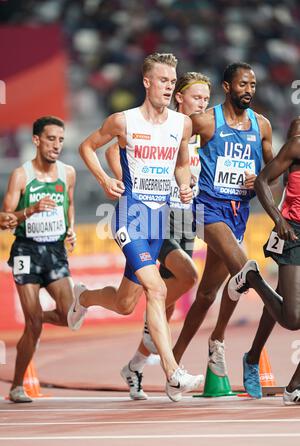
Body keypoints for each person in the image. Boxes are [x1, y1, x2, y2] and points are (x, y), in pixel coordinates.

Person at [67, 53, 203, 402]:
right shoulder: (123, 121)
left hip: (159, 219)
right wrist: (104, 179)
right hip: (131, 216)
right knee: (156, 290)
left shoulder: (181, 125)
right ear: (147, 82)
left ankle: (82, 296)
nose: (168, 86)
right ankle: (173, 373)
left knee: (126, 303)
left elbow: (182, 164)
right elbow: (87, 147)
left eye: (172, 82)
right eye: (162, 80)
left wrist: (185, 184)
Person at [105, 72, 211, 400]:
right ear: (179, 97)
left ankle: (137, 364)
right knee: (179, 280)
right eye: (197, 98)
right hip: (158, 217)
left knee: (151, 303)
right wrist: (124, 180)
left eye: (207, 100)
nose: (203, 104)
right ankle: (170, 369)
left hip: (188, 220)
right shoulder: (163, 125)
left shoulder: (201, 131)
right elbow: (112, 149)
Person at [171, 62, 274, 377]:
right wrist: (184, 177)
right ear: (228, 87)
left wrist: (258, 178)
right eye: (242, 84)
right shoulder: (204, 122)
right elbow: (176, 150)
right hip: (207, 208)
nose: (249, 91)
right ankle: (279, 310)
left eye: (253, 85)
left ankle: (181, 357)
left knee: (205, 295)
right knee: (245, 268)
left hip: (238, 213)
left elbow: (274, 173)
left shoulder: (263, 126)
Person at [3, 116, 76, 403]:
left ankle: (35, 319)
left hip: (55, 250)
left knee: (71, 315)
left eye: (60, 139)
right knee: (33, 324)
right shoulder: (21, 176)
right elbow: (3, 219)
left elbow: (69, 203)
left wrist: (70, 229)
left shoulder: (68, 173)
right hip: (26, 250)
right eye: (50, 139)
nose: (56, 145)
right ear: (36, 140)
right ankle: (17, 386)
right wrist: (28, 212)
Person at [228, 117, 300, 404]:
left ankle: (294, 386)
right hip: (293, 231)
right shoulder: (296, 144)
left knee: (284, 306)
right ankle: (253, 277)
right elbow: (262, 182)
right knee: (292, 318)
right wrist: (278, 218)